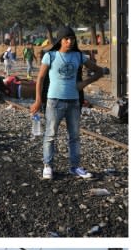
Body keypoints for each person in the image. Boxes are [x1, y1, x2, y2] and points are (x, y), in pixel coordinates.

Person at [30, 25, 105, 180]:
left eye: (72, 38)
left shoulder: (78, 56)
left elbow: (99, 71)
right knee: (50, 135)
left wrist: (84, 83)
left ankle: (75, 167)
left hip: (73, 102)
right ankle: (48, 166)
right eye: (66, 39)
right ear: (60, 40)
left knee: (75, 136)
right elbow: (40, 79)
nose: (70, 41)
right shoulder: (50, 56)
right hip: (54, 101)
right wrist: (38, 100)